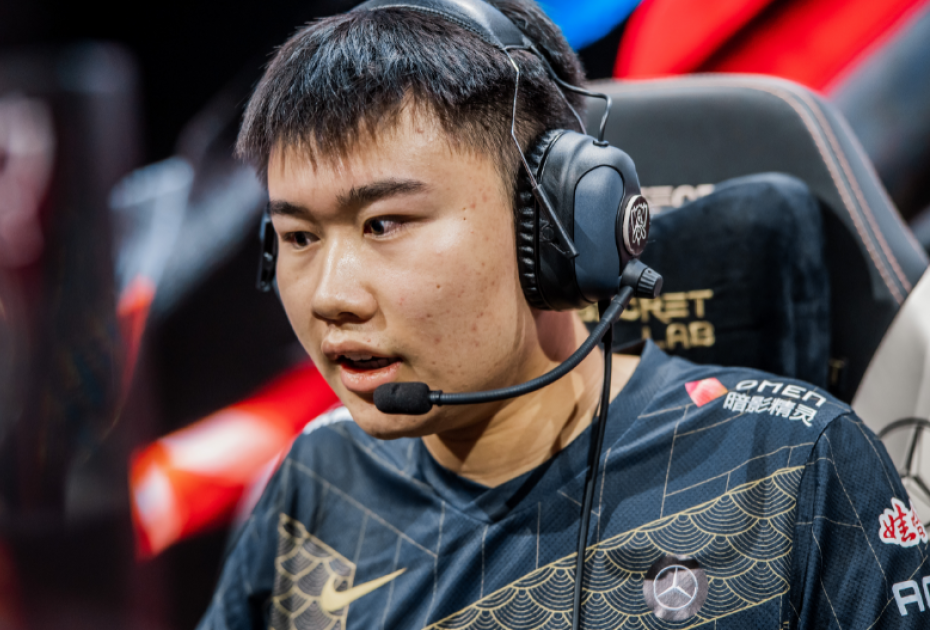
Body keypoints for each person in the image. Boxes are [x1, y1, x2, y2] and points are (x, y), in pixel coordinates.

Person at [198, 0, 930, 628]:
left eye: (384, 224)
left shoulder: (793, 464)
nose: (330, 296)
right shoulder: (317, 479)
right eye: (298, 237)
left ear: (552, 226)